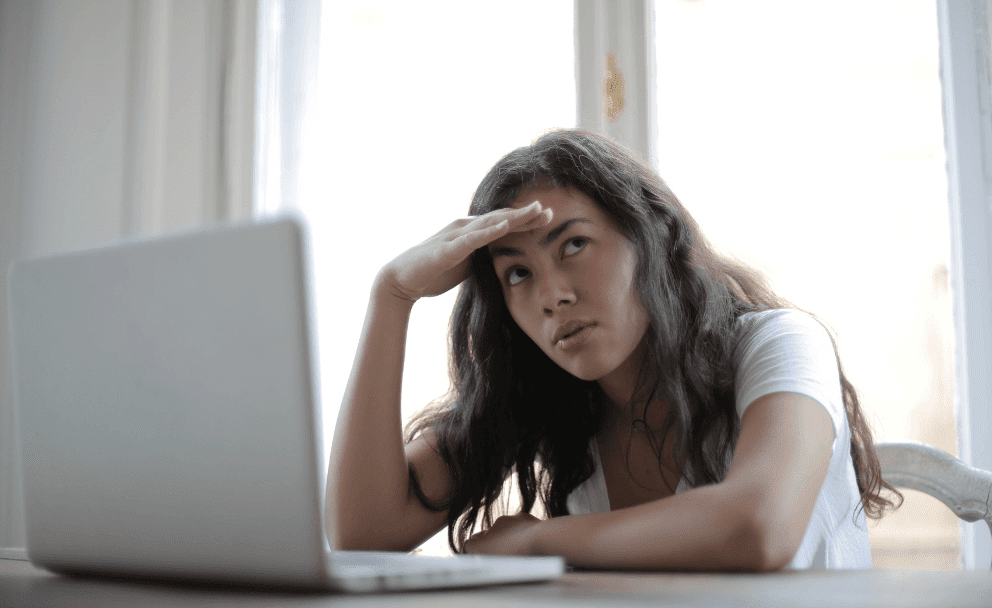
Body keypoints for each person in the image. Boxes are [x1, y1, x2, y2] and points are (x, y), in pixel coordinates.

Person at [326, 129, 900, 571]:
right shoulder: (548, 396)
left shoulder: (780, 344)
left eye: (573, 244)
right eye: (518, 274)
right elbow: (363, 534)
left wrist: (538, 540)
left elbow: (759, 525)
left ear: (649, 237)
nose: (553, 295)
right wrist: (392, 296)